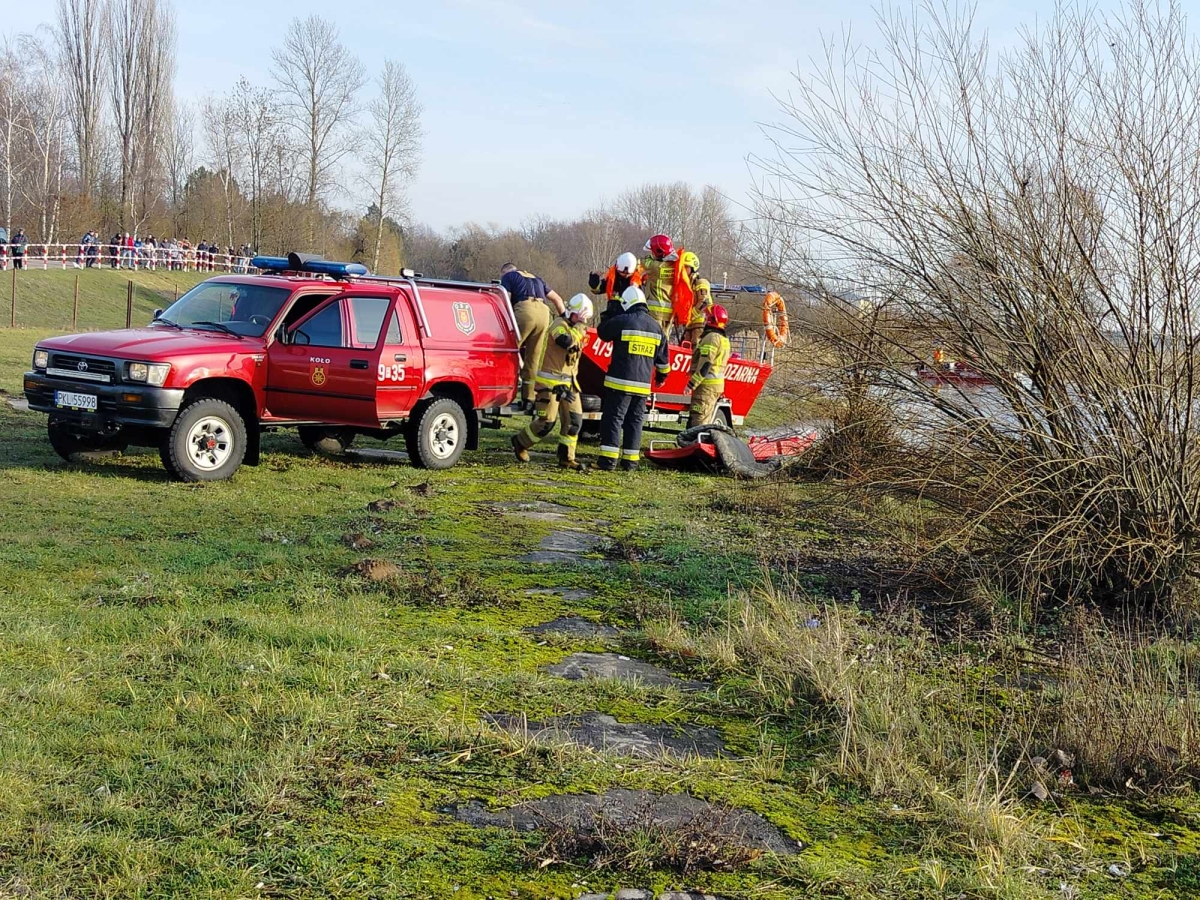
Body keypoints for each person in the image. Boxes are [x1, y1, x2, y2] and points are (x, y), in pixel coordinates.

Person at [511, 292, 594, 470]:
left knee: (574, 421)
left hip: (570, 384)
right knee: (546, 423)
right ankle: (520, 442)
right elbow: (564, 341)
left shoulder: (579, 329)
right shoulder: (558, 324)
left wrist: (579, 329)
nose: (584, 323)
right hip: (550, 384)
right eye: (582, 319)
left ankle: (566, 457)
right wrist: (578, 330)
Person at [595, 285, 670, 472]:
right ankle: (630, 463)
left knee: (613, 419)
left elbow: (602, 332)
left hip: (619, 383)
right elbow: (663, 362)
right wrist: (661, 376)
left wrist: (609, 312)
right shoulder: (656, 327)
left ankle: (607, 462)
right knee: (635, 423)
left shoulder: (622, 321)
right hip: (643, 386)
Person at [500, 263, 566, 406]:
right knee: (533, 356)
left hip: (525, 311)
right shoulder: (538, 279)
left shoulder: (508, 277)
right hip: (544, 313)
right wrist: (565, 322)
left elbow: (504, 302)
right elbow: (558, 300)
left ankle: (501, 392)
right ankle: (529, 397)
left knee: (507, 352)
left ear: (504, 272)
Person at [687, 305, 732, 428]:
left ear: (711, 320)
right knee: (706, 418)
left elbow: (705, 364)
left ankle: (697, 445)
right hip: (715, 385)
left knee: (699, 419)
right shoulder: (723, 339)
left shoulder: (711, 338)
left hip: (706, 387)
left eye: (706, 317)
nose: (704, 320)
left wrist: (691, 384)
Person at [589, 251, 642, 323]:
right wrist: (594, 283)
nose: (625, 275)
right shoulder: (612, 278)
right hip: (612, 316)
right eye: (622, 273)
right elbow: (598, 290)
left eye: (627, 274)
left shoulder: (638, 282)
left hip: (629, 318)